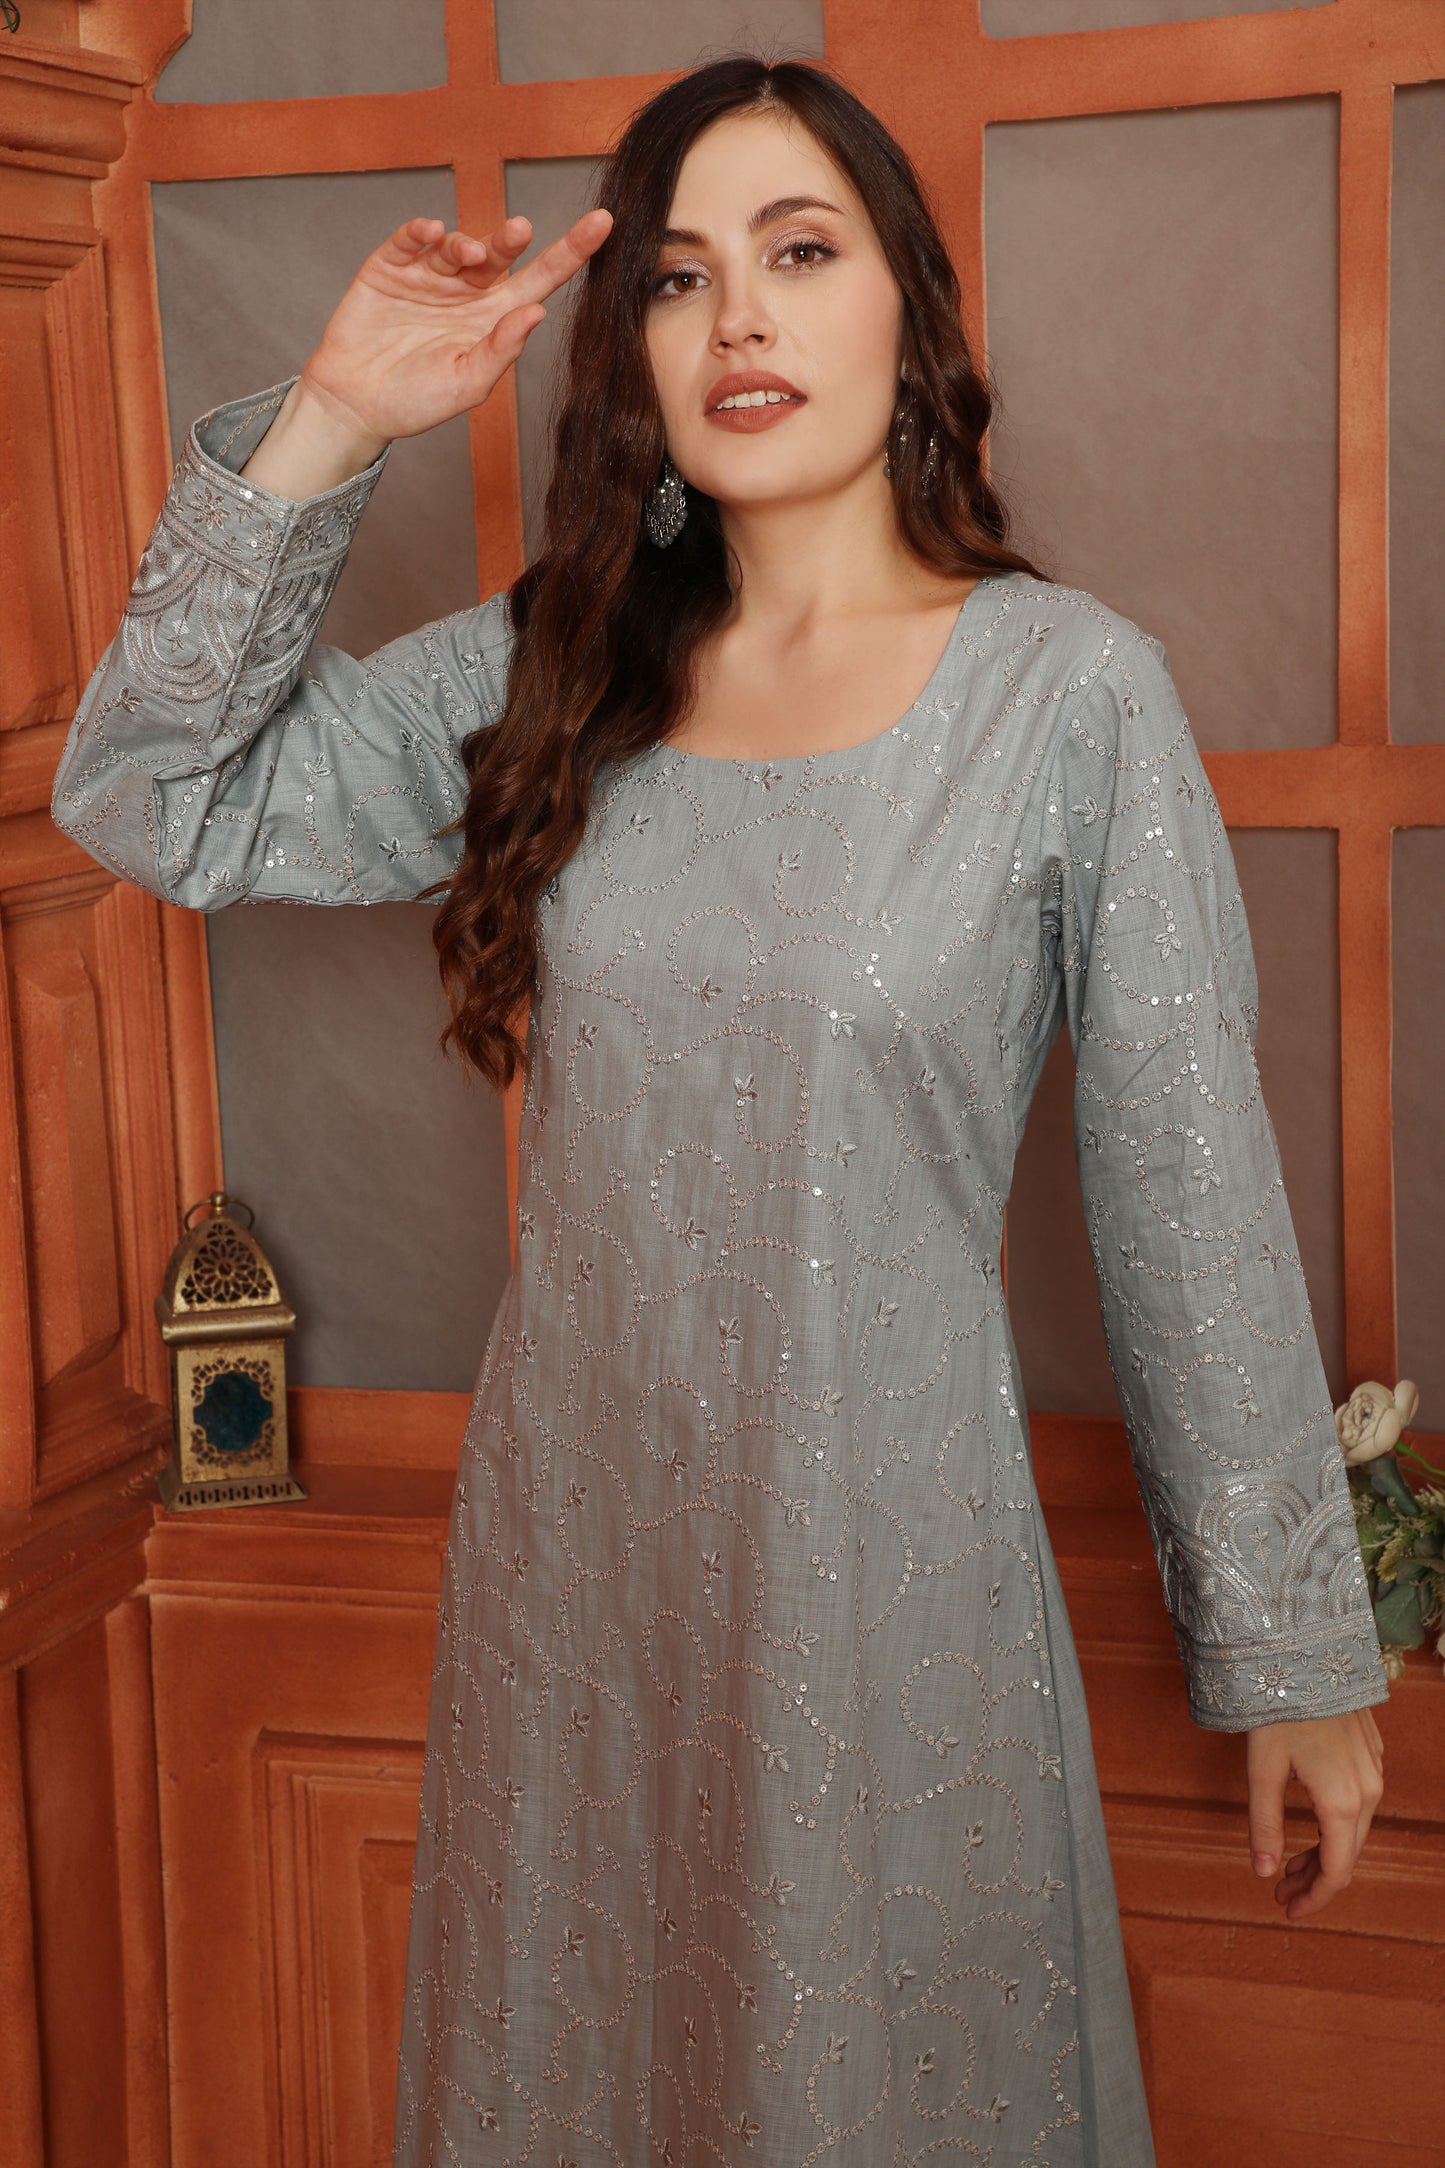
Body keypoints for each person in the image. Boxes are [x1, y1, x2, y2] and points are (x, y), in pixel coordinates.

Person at [52, 51, 1387, 2168]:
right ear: (632, 351)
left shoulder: (1066, 697)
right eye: (677, 278)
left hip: (886, 1579)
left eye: (799, 251)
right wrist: (332, 417)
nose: (737, 317)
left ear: (910, 311)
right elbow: (150, 802)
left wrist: (1292, 1658)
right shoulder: (560, 668)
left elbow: (1185, 1182)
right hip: (579, 1586)